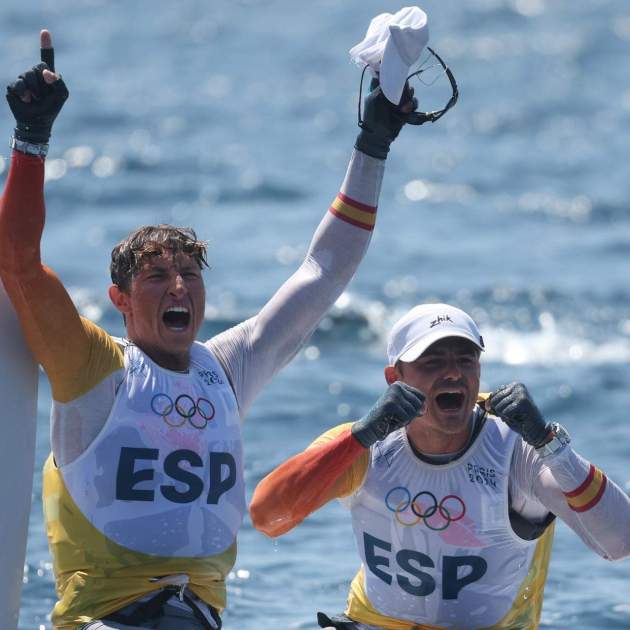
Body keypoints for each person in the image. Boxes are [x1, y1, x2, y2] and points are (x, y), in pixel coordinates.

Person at [0, 30, 421, 630]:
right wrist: (31, 139)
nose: (179, 288)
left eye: (190, 275)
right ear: (119, 299)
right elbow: (17, 263)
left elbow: (324, 271)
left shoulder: (226, 368)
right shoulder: (93, 367)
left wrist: (373, 144)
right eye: (157, 277)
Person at [250, 303, 630, 630]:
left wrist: (550, 444)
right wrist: (359, 437)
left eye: (466, 360)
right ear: (394, 378)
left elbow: (620, 542)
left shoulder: (518, 450)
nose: (453, 374)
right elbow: (267, 517)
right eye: (432, 362)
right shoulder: (362, 445)